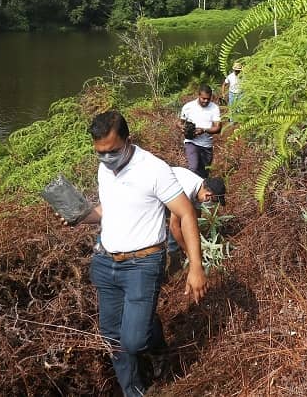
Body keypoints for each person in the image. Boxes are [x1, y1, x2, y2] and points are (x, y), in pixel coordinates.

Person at [65, 110, 208, 396]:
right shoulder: (104, 168)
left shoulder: (153, 169)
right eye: (100, 153)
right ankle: (134, 392)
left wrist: (196, 267)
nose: (106, 158)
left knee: (132, 340)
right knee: (112, 340)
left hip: (143, 264)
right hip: (106, 263)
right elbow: (109, 210)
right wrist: (80, 215)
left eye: (112, 151)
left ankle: (156, 348)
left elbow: (186, 212)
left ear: (128, 140)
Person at [165, 167, 227, 274]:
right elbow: (174, 226)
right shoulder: (187, 191)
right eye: (215, 201)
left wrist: (195, 240)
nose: (213, 205)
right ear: (208, 195)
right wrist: (189, 251)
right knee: (172, 225)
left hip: (168, 189)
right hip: (154, 190)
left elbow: (194, 217)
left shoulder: (200, 190)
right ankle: (172, 258)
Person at [178, 84, 221, 178]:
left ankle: (200, 190)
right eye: (203, 98)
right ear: (198, 95)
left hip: (206, 145)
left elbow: (218, 128)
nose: (206, 101)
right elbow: (179, 122)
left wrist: (204, 130)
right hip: (191, 142)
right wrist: (182, 128)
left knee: (204, 173)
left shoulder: (214, 108)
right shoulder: (188, 107)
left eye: (208, 99)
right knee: (193, 168)